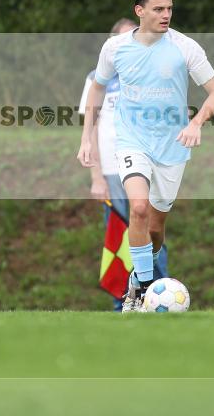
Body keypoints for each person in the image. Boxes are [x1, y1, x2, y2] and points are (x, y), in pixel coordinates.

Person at [77, 0, 214, 312]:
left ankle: (136, 278)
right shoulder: (115, 48)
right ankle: (142, 291)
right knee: (138, 209)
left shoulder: (185, 47)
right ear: (139, 11)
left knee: (155, 231)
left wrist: (195, 123)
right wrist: (86, 137)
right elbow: (97, 89)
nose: (166, 15)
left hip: (172, 147)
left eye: (169, 8)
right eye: (158, 9)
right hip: (132, 141)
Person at [78, 18, 168, 311]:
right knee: (119, 234)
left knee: (152, 230)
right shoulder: (96, 79)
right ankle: (123, 300)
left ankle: (158, 293)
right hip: (112, 172)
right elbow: (90, 127)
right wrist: (96, 177)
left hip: (146, 165)